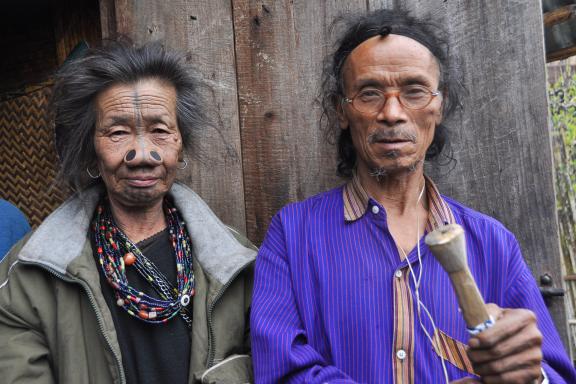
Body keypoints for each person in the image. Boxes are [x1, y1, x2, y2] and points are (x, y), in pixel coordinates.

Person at [250, 9, 576, 384]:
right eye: (370, 93)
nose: (392, 113)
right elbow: (282, 371)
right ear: (342, 110)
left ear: (439, 104)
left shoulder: (492, 243)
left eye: (414, 91)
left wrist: (532, 377)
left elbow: (555, 375)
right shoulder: (293, 235)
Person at [0, 41, 256, 384]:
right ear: (91, 148)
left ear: (181, 144)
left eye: (160, 131)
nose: (142, 153)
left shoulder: (238, 268)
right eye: (118, 132)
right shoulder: (28, 279)